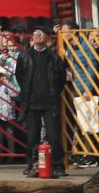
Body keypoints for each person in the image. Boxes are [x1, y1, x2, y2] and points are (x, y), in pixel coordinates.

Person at [14, 25, 67, 176]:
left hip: (50, 103)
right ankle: (32, 165)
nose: (38, 35)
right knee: (32, 137)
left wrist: (54, 93)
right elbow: (20, 77)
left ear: (47, 38)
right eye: (35, 32)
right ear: (32, 37)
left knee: (54, 136)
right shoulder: (24, 56)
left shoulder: (55, 58)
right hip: (31, 103)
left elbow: (61, 80)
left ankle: (58, 165)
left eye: (42, 33)